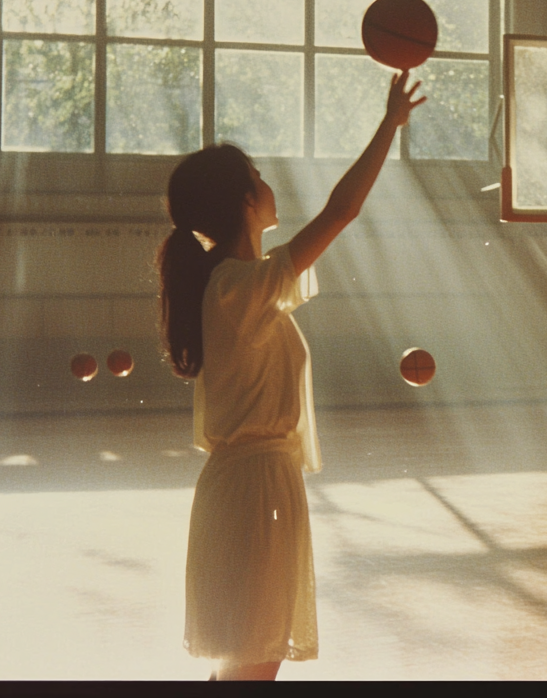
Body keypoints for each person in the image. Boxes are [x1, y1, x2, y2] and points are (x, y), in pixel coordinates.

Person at [157, 71, 425, 681]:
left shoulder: (245, 287)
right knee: (255, 661)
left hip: (258, 483)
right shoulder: (235, 289)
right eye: (258, 176)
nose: (268, 182)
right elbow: (342, 211)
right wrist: (389, 124)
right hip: (252, 488)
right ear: (245, 201)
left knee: (249, 661)